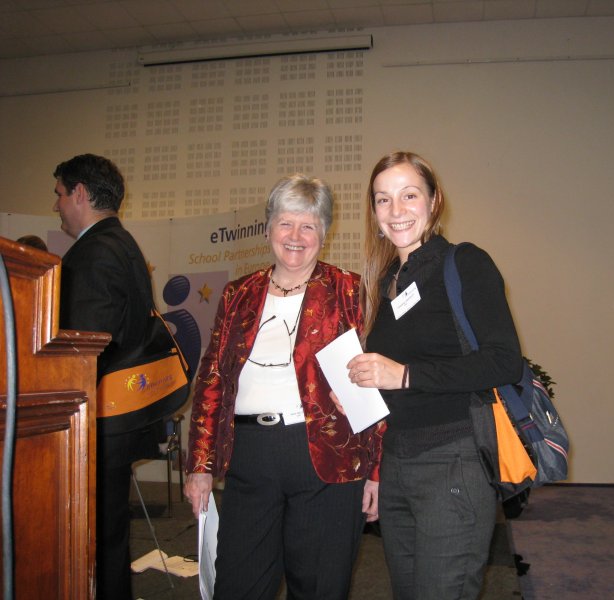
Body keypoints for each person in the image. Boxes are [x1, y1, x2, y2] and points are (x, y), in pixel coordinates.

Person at [183, 174, 384, 600]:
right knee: (238, 583)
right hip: (250, 455)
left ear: (324, 233)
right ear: (268, 228)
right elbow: (212, 380)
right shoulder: (238, 294)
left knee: (319, 586)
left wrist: (377, 473)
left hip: (329, 455)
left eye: (308, 225)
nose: (295, 236)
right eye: (285, 223)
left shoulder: (351, 291)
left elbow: (375, 383)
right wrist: (200, 464)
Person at [345, 151, 523, 599]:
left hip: (453, 460)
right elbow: (390, 385)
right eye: (383, 199)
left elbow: (504, 361)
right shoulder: (385, 281)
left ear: (434, 200)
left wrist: (405, 375)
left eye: (409, 195)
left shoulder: (465, 263)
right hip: (397, 464)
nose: (396, 210)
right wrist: (375, 464)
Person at [53, 153, 163, 599]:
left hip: (96, 423)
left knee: (93, 542)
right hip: (119, 418)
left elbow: (87, 352)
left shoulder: (95, 252)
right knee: (108, 537)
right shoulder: (124, 244)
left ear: (79, 193)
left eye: (60, 194)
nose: (57, 206)